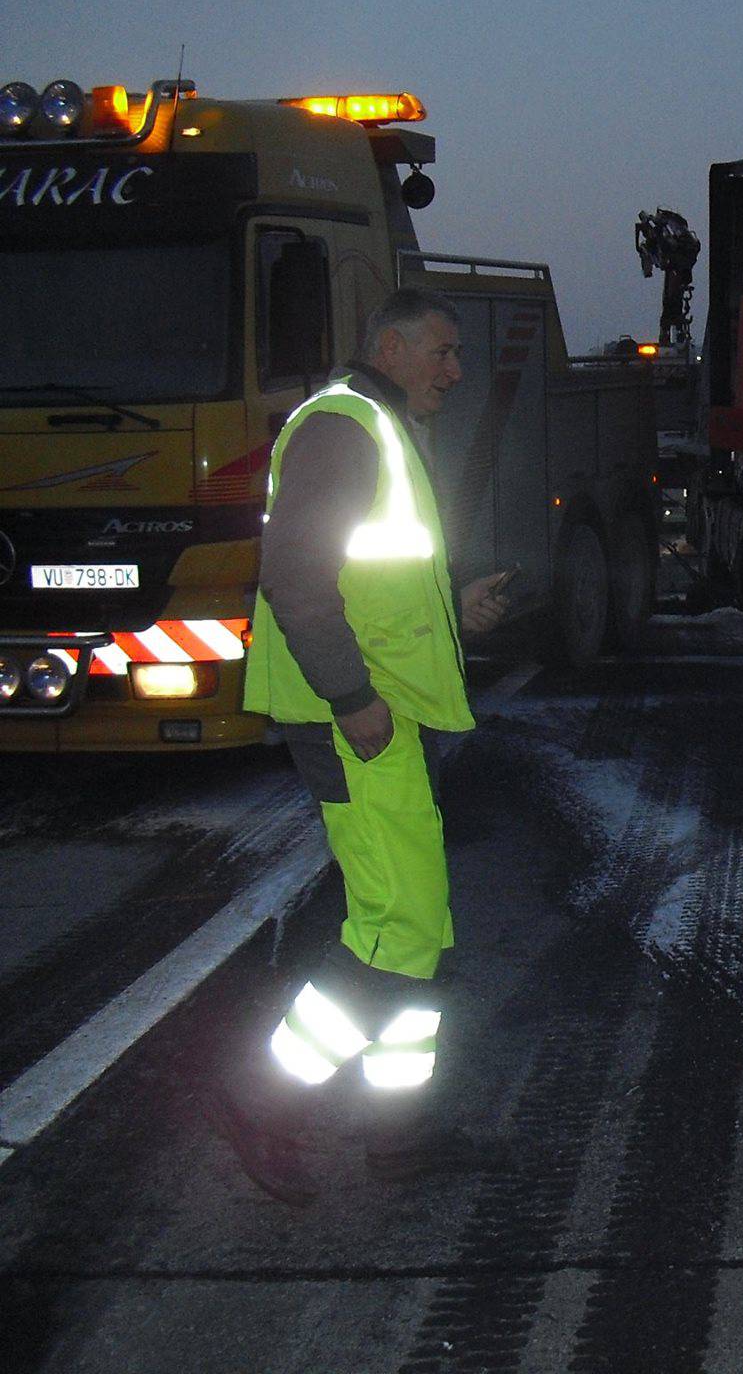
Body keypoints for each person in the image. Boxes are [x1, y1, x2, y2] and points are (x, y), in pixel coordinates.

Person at [204, 287, 513, 1205]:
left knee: (415, 932)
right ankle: (260, 1103)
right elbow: (296, 578)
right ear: (390, 345)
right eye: (443, 353)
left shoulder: (374, 427)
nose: (456, 372)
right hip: (356, 723)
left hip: (378, 717)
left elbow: (369, 585)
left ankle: (400, 1137)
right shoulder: (343, 427)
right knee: (393, 934)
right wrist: (351, 698)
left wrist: (457, 611)